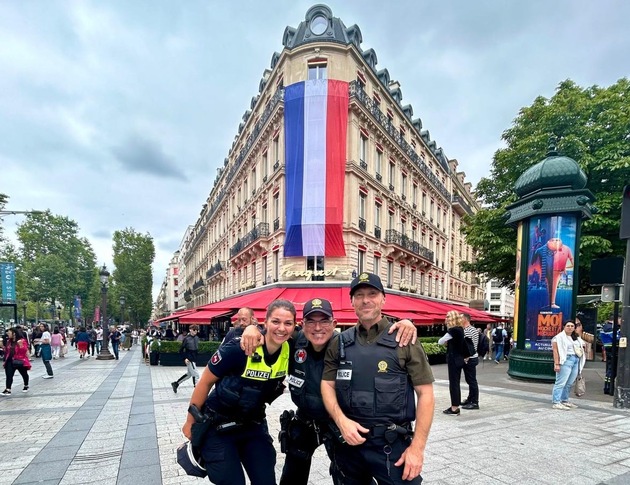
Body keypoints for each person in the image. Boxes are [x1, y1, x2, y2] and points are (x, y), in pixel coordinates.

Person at [240, 297, 417, 485]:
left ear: (334, 323)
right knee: (292, 475)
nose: (317, 328)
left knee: (347, 476)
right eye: (311, 322)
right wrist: (252, 329)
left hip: (336, 423)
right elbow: (275, 331)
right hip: (305, 420)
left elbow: (372, 336)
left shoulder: (348, 345)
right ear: (303, 324)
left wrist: (405, 324)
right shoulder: (295, 341)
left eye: (324, 321)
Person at [321, 272, 435, 484]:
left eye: (372, 294)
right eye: (359, 295)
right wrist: (341, 421)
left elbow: (426, 394)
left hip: (392, 448)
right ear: (351, 301)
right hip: (348, 447)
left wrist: (417, 449)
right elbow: (327, 385)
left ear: (383, 298)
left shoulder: (404, 339)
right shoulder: (340, 343)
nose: (366, 300)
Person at [181, 299, 296, 485]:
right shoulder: (237, 348)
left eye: (288, 323)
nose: (281, 328)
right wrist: (189, 422)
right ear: (264, 323)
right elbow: (205, 383)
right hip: (218, 427)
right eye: (275, 321)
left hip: (253, 426)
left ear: (294, 327)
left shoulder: (291, 350)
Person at [551, 320, 585, 409]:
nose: (570, 328)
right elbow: (555, 351)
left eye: (572, 326)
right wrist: (557, 363)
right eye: (568, 326)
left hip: (576, 360)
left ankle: (564, 400)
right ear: (564, 327)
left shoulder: (576, 338)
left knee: (569, 383)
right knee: (560, 383)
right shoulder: (558, 338)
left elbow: (582, 345)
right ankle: (556, 402)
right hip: (566, 360)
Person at [438, 311, 467, 415]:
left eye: (447, 317)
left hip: (454, 359)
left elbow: (440, 341)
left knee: (454, 383)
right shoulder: (460, 329)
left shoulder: (453, 330)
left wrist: (446, 341)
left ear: (452, 318)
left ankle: (454, 408)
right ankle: (455, 406)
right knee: (456, 383)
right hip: (458, 359)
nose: (445, 319)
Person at [2, 327, 32, 395]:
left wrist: (20, 345)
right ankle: (8, 389)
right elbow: (7, 351)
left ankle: (26, 385)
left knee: (24, 373)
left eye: (9, 332)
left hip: (19, 360)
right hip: (10, 360)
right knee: (9, 375)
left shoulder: (22, 340)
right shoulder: (9, 341)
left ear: (14, 333)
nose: (8, 334)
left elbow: (23, 351)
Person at [171, 325, 201, 394]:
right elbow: (181, 350)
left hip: (194, 357)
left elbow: (196, 349)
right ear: (190, 330)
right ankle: (197, 391)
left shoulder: (196, 338)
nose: (195, 332)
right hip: (189, 358)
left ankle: (176, 383)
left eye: (196, 330)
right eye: (194, 330)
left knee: (189, 374)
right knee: (196, 375)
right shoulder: (187, 339)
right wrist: (185, 358)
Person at [461, 313, 480, 410]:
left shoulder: (468, 330)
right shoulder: (473, 329)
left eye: (461, 318)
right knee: (470, 380)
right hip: (473, 357)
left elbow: (469, 346)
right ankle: (470, 398)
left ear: (465, 319)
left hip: (470, 358)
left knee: (471, 380)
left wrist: (466, 357)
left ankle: (474, 402)